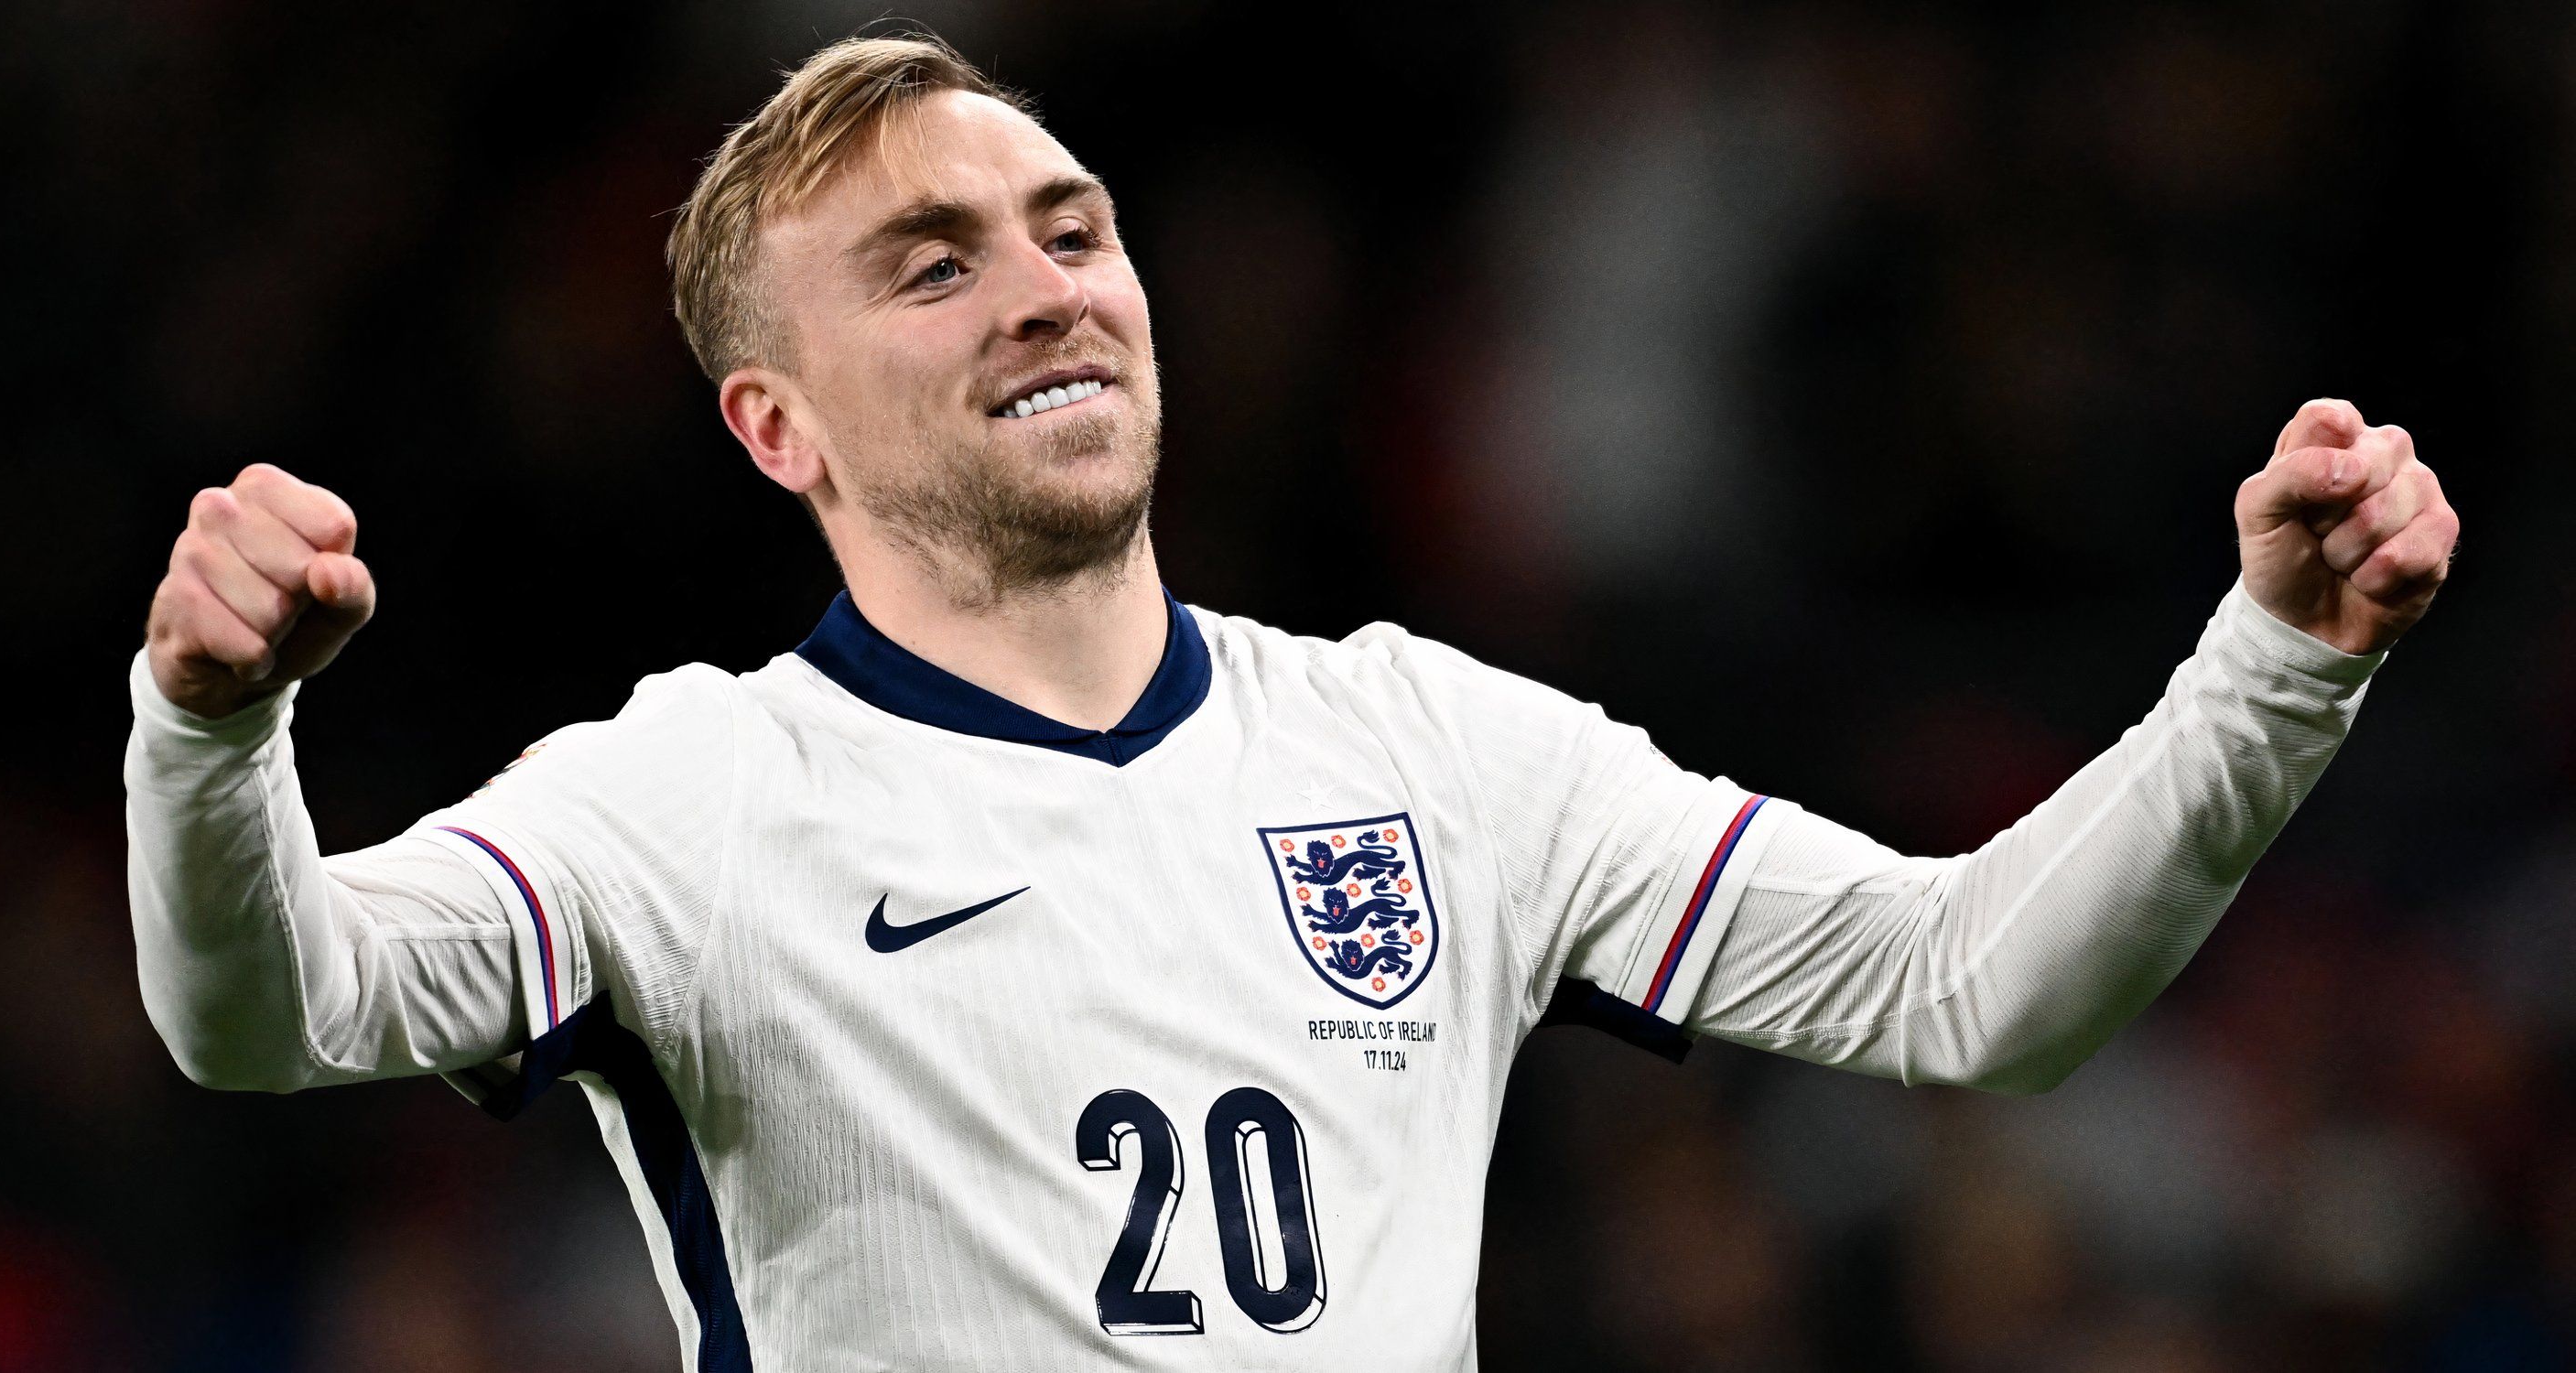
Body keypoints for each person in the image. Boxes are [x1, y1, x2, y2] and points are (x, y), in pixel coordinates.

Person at [124, 33, 2458, 1372]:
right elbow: (272, 1005)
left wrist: (2273, 670)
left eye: (1070, 227)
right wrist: (208, 737)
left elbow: (1975, 988)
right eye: (932, 268)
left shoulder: (1426, 748)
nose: (1045, 292)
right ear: (777, 425)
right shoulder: (695, 797)